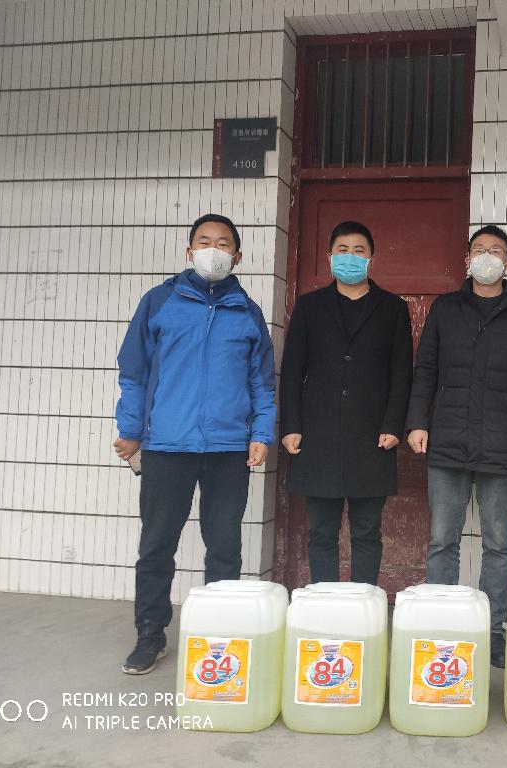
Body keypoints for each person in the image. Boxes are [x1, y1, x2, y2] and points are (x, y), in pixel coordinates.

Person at [113, 213, 276, 674]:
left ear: (236, 257)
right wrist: (131, 429)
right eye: (204, 241)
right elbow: (134, 372)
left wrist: (261, 433)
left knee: (224, 545)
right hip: (168, 444)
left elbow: (262, 382)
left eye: (223, 243)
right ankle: (150, 634)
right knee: (157, 544)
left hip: (228, 448)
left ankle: (218, 635)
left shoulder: (248, 312)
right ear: (189, 251)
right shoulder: (159, 301)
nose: (213, 250)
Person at [406, 224, 507, 668]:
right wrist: (417, 421)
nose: (487, 256)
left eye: (495, 251)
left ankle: (492, 630)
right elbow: (425, 369)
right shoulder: (446, 308)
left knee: (498, 543)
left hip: (500, 442)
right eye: (479, 249)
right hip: (447, 441)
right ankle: (440, 626)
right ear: (467, 259)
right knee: (442, 541)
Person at [279, 221, 413, 586]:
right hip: (317, 436)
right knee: (321, 531)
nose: (350, 257)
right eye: (342, 250)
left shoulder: (392, 308)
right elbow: (292, 371)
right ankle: (326, 603)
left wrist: (393, 424)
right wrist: (291, 426)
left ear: (371, 258)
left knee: (367, 531)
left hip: (373, 436)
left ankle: (363, 603)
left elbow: (402, 373)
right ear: (329, 257)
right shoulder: (309, 307)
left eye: (358, 251)